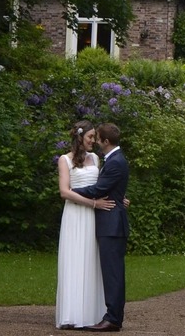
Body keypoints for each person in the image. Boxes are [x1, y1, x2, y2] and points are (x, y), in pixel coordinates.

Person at [56, 121, 115, 331]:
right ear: (80, 137)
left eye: (94, 137)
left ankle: (91, 313)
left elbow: (100, 187)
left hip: (92, 217)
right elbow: (65, 192)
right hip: (74, 215)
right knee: (74, 260)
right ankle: (72, 314)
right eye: (90, 137)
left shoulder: (96, 159)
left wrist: (118, 197)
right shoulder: (65, 160)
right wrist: (93, 203)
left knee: (91, 260)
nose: (93, 141)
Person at [75, 122, 130, 333]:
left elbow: (99, 188)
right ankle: (113, 316)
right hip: (111, 222)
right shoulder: (115, 159)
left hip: (111, 224)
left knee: (113, 273)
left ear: (106, 141)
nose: (96, 142)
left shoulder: (115, 162)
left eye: (98, 139)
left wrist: (72, 190)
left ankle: (113, 318)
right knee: (112, 272)